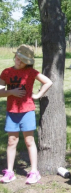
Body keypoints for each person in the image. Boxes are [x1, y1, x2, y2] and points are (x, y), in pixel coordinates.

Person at [0, 44, 53, 184]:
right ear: (15, 56)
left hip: (27, 111)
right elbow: (0, 91)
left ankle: (34, 171)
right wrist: (11, 92)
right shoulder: (6, 72)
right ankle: (10, 171)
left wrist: (38, 95)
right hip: (12, 112)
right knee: (12, 141)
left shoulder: (31, 72)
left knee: (29, 141)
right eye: (18, 59)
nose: (19, 62)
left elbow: (48, 82)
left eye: (23, 61)